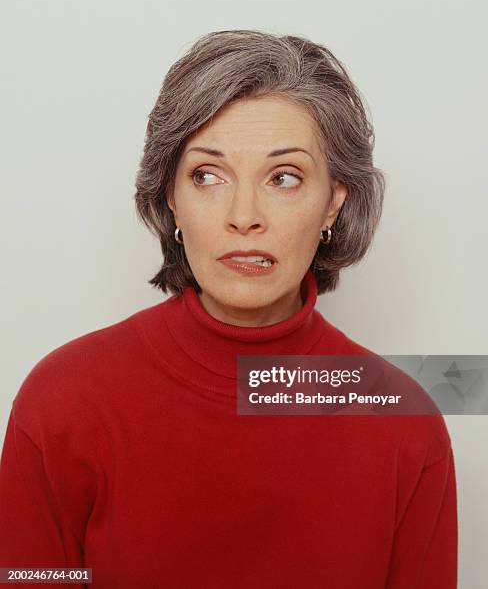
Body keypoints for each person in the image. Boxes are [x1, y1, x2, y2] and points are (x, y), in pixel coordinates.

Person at [0, 29, 457, 588]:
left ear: (334, 200)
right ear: (170, 196)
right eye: (208, 175)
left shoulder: (403, 422)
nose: (244, 215)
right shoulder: (63, 401)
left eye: (284, 177)